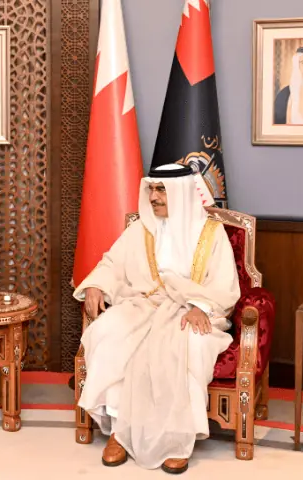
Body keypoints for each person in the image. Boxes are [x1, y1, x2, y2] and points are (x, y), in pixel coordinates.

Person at [73, 163, 240, 474]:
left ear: (181, 192)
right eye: (151, 189)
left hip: (193, 311)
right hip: (144, 305)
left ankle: (176, 437)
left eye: (161, 190)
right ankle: (120, 431)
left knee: (188, 345)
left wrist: (199, 306)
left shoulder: (211, 234)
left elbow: (223, 284)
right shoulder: (143, 228)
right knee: (108, 333)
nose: (153, 197)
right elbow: (112, 262)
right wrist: (96, 285)